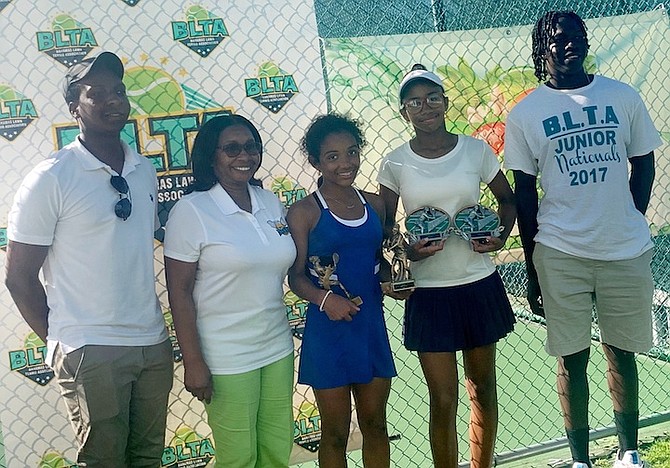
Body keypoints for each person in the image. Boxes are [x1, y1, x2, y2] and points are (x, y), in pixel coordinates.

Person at [503, 11, 661, 468]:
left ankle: (628, 452)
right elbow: (525, 194)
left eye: (576, 37)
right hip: (560, 251)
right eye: (557, 39)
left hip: (623, 249)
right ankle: (579, 460)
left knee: (621, 351)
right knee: (571, 359)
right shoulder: (526, 112)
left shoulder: (622, 96)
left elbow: (643, 164)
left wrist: (627, 216)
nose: (569, 44)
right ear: (541, 50)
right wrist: (533, 267)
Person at [4, 51, 174, 466]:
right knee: (103, 461)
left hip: (151, 343)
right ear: (73, 109)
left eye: (119, 91)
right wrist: (67, 341)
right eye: (97, 94)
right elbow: (18, 277)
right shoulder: (50, 178)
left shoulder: (143, 170)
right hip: (90, 349)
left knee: (147, 458)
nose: (114, 100)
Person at [378, 64, 516, 468]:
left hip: (478, 283)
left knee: (482, 390)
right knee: (442, 399)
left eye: (432, 98)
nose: (426, 107)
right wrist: (409, 252)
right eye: (415, 102)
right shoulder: (395, 163)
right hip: (429, 293)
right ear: (404, 112)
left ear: (445, 102)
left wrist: (501, 235)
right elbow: (386, 230)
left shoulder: (475, 150)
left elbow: (507, 201)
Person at [163, 114, 296, 468]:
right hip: (226, 357)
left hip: (277, 348)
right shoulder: (192, 211)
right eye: (232, 149)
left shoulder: (269, 201)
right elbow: (179, 292)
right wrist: (193, 362)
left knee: (275, 452)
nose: (245, 156)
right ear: (211, 156)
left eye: (251, 147)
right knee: (238, 458)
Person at [287, 114, 399, 468]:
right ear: (316, 162)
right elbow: (296, 278)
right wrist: (325, 300)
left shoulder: (375, 205)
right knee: (335, 432)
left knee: (375, 426)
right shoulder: (304, 212)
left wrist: (392, 279)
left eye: (351, 153)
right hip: (328, 333)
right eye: (332, 157)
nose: (345, 163)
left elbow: (379, 261)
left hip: (369, 328)